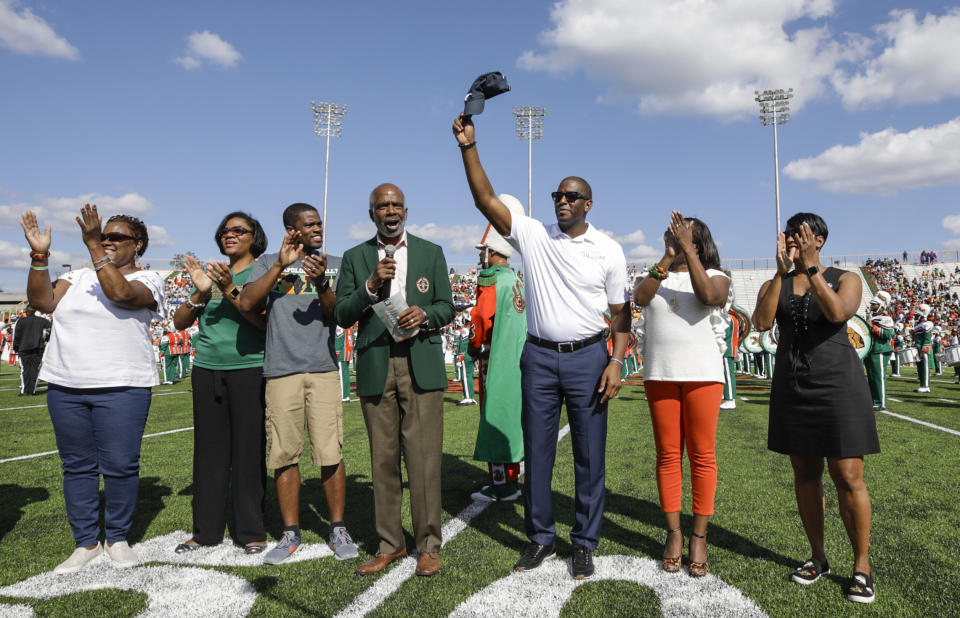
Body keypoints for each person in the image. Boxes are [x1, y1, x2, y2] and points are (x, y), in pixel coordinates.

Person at [453, 113, 630, 580]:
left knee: (590, 456)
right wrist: (469, 146)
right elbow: (485, 200)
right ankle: (540, 538)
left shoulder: (609, 249)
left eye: (571, 196)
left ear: (589, 204)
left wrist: (616, 360)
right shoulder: (533, 234)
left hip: (591, 357)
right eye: (557, 195)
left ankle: (585, 542)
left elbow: (621, 317)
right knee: (538, 451)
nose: (562, 202)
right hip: (538, 356)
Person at [21, 204, 165, 573]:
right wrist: (40, 256)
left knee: (119, 466)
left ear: (139, 245)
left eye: (116, 237)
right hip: (67, 386)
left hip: (123, 386)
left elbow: (120, 295)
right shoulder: (80, 278)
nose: (107, 241)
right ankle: (85, 542)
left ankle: (117, 538)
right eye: (104, 237)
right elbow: (41, 302)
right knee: (77, 467)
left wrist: (93, 248)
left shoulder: (150, 279)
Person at [753, 212, 879, 604]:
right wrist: (779, 273)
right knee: (805, 472)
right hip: (793, 385)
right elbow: (760, 322)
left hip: (838, 384)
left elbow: (839, 313)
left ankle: (862, 565)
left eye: (798, 234)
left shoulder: (846, 278)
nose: (789, 239)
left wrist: (810, 269)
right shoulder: (777, 280)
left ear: (818, 239)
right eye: (788, 233)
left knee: (847, 474)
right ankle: (818, 557)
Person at [334, 183, 454, 577]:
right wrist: (370, 285)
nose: (390, 211)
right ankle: (390, 544)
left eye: (396, 205)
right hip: (376, 364)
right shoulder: (355, 257)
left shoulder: (430, 252)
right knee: (382, 461)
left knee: (423, 460)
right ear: (372, 214)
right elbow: (342, 314)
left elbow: (447, 307)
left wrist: (424, 316)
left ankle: (428, 545)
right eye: (382, 206)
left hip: (419, 361)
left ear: (406, 210)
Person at [237, 202, 359, 565]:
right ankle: (291, 532)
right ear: (291, 229)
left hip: (322, 368)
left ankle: (337, 526)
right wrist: (279, 266)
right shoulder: (267, 263)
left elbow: (340, 315)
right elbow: (246, 302)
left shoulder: (335, 263)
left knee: (330, 451)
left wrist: (322, 282)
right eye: (309, 224)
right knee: (285, 453)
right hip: (281, 370)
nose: (317, 228)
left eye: (319, 223)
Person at [634, 212, 730, 577]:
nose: (670, 239)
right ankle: (674, 533)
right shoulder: (657, 274)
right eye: (669, 235)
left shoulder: (716, 275)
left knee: (702, 456)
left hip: (703, 376)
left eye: (679, 234)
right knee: (668, 455)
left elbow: (709, 297)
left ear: (697, 240)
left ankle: (699, 537)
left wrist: (688, 252)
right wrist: (667, 257)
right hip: (660, 375)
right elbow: (641, 298)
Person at [172, 212, 270, 555]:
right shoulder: (210, 275)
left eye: (239, 230)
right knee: (209, 453)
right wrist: (200, 293)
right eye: (225, 230)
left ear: (253, 237)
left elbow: (262, 323)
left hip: (249, 369)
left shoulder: (262, 271)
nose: (230, 235)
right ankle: (206, 531)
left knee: (248, 451)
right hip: (207, 369)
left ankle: (251, 530)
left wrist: (229, 288)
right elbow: (180, 322)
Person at [468, 194, 527, 503]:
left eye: (483, 252)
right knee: (512, 418)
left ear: (492, 252)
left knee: (494, 416)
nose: (481, 257)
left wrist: (473, 346)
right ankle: (514, 479)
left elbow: (480, 321)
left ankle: (501, 484)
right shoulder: (516, 280)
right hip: (519, 360)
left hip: (496, 359)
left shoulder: (491, 281)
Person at [863, 292, 894, 411]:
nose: (871, 305)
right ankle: (874, 400)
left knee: (878, 377)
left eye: (874, 304)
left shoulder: (885, 318)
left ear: (881, 305)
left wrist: (872, 327)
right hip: (871, 350)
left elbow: (888, 334)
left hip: (880, 350)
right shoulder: (873, 317)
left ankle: (880, 402)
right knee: (872, 377)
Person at [12, 306, 51, 396]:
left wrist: (16, 347)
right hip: (38, 348)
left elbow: (16, 335)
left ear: (26, 311)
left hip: (23, 348)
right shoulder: (42, 320)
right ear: (35, 311)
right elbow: (51, 330)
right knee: (34, 370)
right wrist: (45, 340)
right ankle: (32, 391)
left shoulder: (21, 321)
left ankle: (25, 391)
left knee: (24, 369)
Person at [913, 304, 933, 393]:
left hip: (923, 349)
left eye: (918, 313)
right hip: (918, 347)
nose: (915, 315)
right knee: (920, 368)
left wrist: (923, 351)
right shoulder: (920, 324)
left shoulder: (926, 324)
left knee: (924, 367)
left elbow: (927, 339)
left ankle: (925, 386)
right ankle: (922, 385)